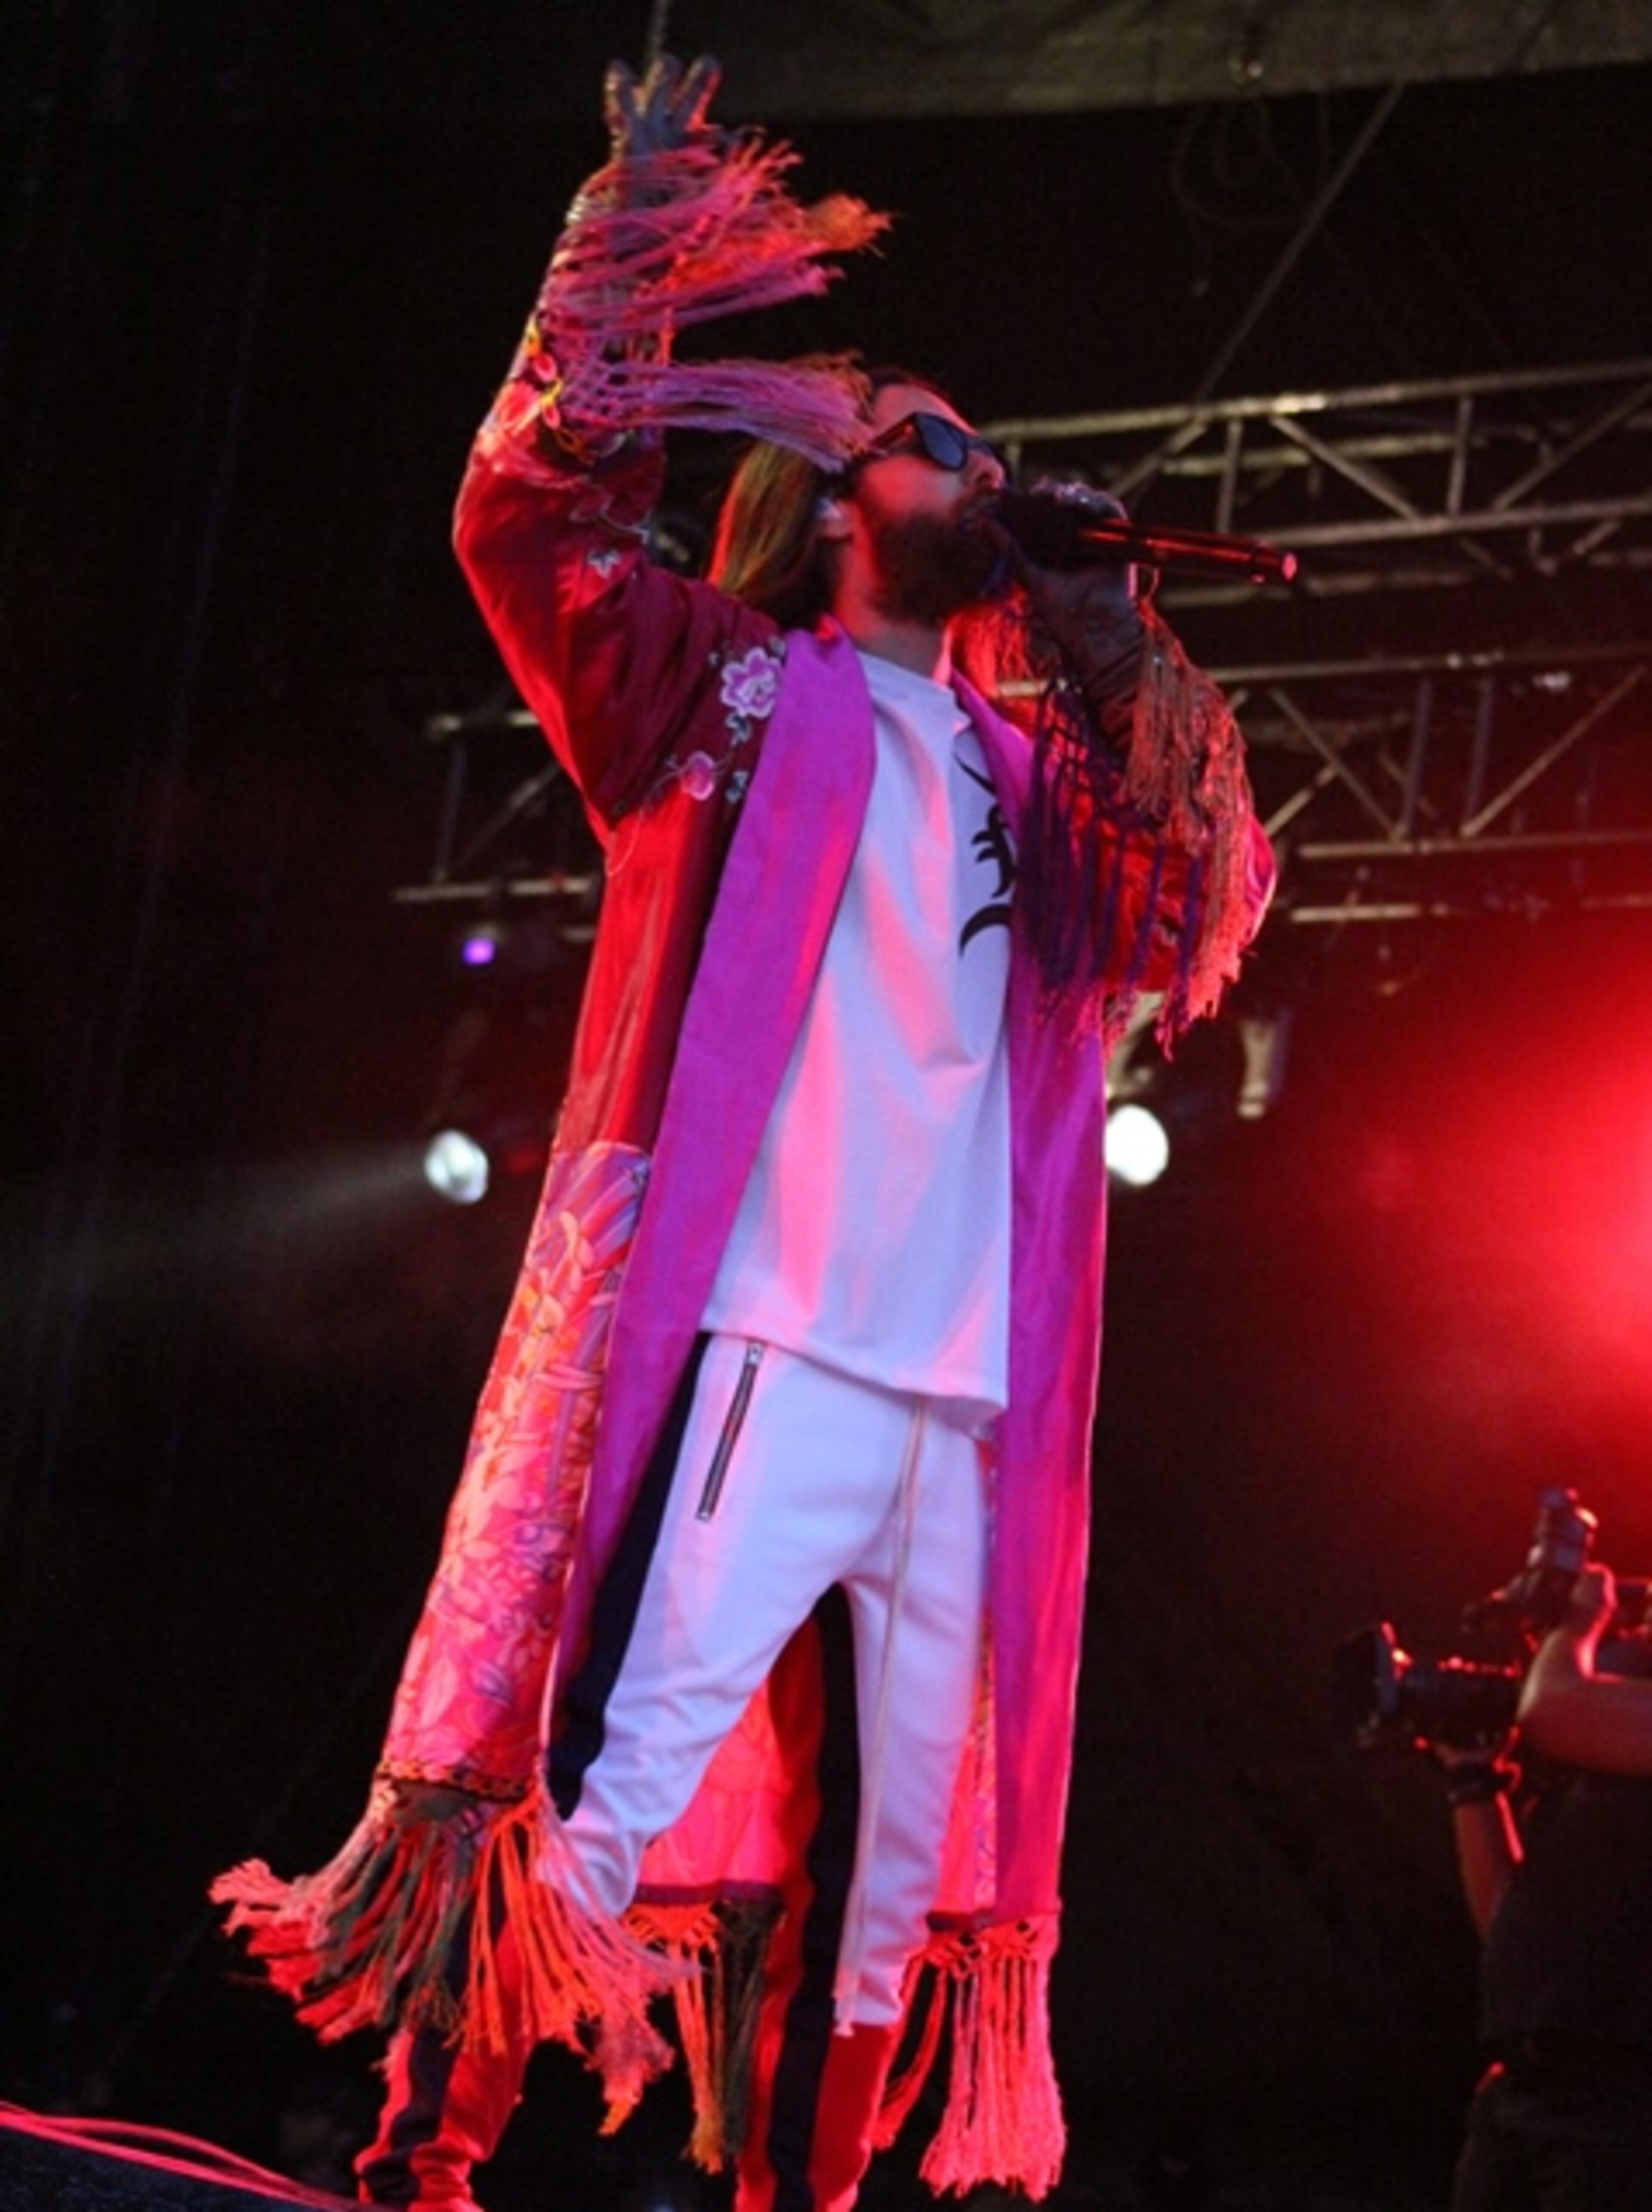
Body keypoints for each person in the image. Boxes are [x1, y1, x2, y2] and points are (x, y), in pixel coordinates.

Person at [213, 53, 1273, 2212]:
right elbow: (523, 525)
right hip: (753, 1349)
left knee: (888, 1889)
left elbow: (1211, 900)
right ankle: (430, 2160)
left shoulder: (1035, 785)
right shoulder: (723, 693)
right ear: (826, 489)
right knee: (594, 1794)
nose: (973, 458)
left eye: (979, 439)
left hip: (958, 1401)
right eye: (922, 434)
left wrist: (1094, 615)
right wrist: (627, 256)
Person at [1442, 1562, 1652, 2211]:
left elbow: (1551, 1706)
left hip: (1615, 2103)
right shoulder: (1604, 1771)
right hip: (1522, 2087)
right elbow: (1509, 1928)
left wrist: (1580, 1621)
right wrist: (1474, 1782)